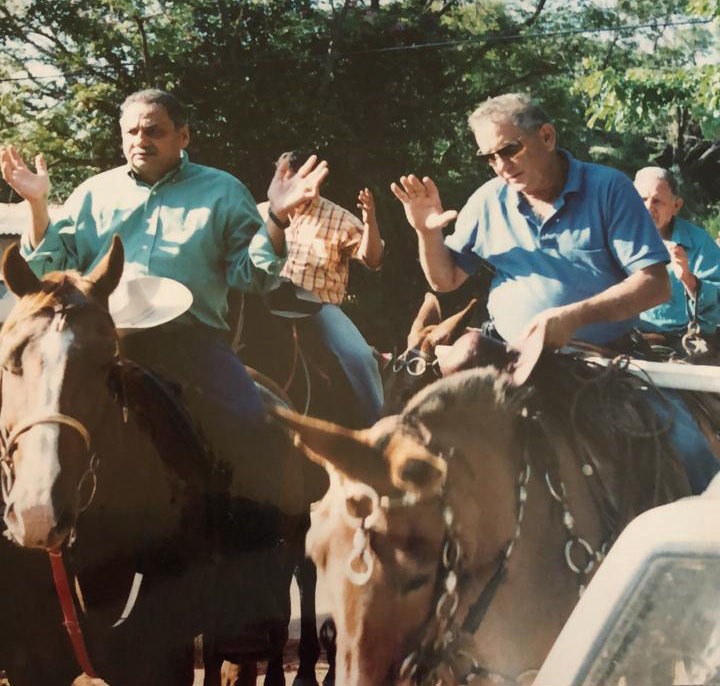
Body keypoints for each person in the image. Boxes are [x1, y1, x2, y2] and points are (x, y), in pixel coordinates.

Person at [0, 88, 328, 505]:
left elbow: (251, 277)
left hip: (191, 345)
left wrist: (277, 218)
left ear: (183, 136)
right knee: (33, 421)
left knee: (251, 424)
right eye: (132, 131)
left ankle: (259, 537)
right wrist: (37, 204)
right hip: (101, 346)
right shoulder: (92, 193)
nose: (141, 139)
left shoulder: (223, 192)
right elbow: (50, 269)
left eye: (154, 130)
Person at [390, 91, 717, 493]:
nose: (500, 166)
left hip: (602, 362)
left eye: (508, 150)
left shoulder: (609, 188)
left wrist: (573, 317)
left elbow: (654, 285)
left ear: (546, 136)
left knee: (689, 448)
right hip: (505, 356)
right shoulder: (488, 200)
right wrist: (427, 233)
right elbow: (445, 280)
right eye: (488, 158)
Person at [252, 150, 385, 427]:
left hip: (317, 305)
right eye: (283, 174)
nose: (288, 181)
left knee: (358, 356)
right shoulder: (261, 212)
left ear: (314, 179)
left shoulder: (339, 218)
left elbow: (372, 259)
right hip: (264, 299)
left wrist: (370, 220)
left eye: (295, 175)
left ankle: (379, 425)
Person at [633, 166, 720, 349]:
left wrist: (689, 280)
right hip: (629, 337)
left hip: (684, 341)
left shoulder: (699, 243)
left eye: (657, 201)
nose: (648, 208)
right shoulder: (618, 238)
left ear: (676, 206)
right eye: (642, 199)